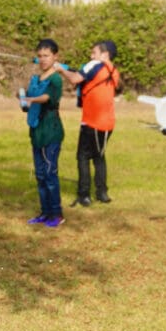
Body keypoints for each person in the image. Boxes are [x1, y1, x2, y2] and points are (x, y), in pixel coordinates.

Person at [62, 40, 120, 206]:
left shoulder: (94, 65)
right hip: (108, 123)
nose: (91, 56)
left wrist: (60, 69)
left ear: (105, 54)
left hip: (92, 122)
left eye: (94, 52)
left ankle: (84, 195)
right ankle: (102, 193)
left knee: (83, 157)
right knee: (99, 156)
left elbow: (75, 79)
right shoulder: (114, 71)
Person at [20, 38, 65, 227]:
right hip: (37, 131)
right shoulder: (36, 79)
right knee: (40, 174)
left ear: (55, 57)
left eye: (46, 55)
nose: (43, 59)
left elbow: (47, 97)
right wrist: (24, 98)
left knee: (49, 174)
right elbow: (29, 97)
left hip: (51, 132)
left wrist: (32, 99)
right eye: (40, 56)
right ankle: (45, 213)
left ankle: (56, 214)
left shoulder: (55, 79)